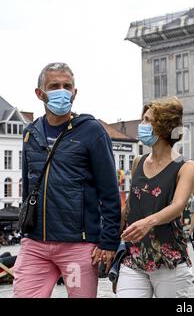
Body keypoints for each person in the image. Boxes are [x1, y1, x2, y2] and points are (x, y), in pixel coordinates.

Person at [13, 62, 121, 298]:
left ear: (75, 92)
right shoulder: (30, 132)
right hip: (35, 245)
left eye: (67, 86)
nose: (62, 91)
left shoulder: (92, 131)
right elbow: (28, 186)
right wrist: (25, 229)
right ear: (40, 93)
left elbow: (110, 192)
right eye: (54, 86)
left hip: (77, 245)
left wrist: (109, 241)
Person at [116, 96, 194, 298]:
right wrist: (108, 239)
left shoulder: (186, 166)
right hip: (134, 257)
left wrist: (148, 223)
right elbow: (130, 208)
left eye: (146, 120)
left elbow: (178, 206)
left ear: (161, 126)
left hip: (169, 259)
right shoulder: (137, 162)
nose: (141, 125)